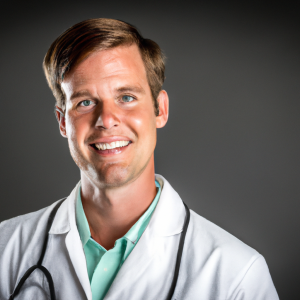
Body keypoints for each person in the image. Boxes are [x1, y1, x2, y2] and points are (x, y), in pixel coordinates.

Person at [0, 18, 279, 300]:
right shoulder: (4, 249)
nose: (106, 120)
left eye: (126, 97)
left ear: (160, 110)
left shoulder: (237, 274)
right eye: (85, 102)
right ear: (62, 123)